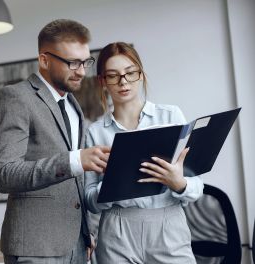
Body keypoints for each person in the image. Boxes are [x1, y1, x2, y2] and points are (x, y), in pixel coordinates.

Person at [0, 19, 110, 264]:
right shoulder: (16, 97)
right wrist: (76, 160)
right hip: (34, 248)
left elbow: (76, 184)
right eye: (73, 62)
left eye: (86, 62)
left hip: (76, 246)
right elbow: (5, 174)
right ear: (44, 60)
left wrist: (87, 234)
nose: (82, 71)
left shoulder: (73, 106)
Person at [84, 42, 204, 264]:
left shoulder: (170, 116)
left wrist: (179, 183)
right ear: (102, 81)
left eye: (130, 73)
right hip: (116, 232)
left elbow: (197, 186)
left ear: (140, 74)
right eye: (113, 76)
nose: (123, 82)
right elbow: (89, 200)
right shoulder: (95, 133)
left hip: (169, 226)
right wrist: (111, 185)